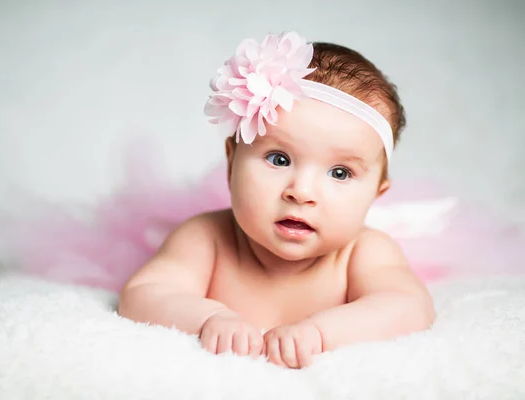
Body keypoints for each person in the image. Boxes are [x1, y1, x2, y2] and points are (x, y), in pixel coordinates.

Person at [117, 31, 435, 369]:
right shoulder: (205, 238)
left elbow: (409, 306)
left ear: (376, 194)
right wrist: (210, 318)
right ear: (231, 161)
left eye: (340, 173)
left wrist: (321, 333)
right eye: (279, 159)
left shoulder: (364, 253)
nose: (301, 192)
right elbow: (142, 293)